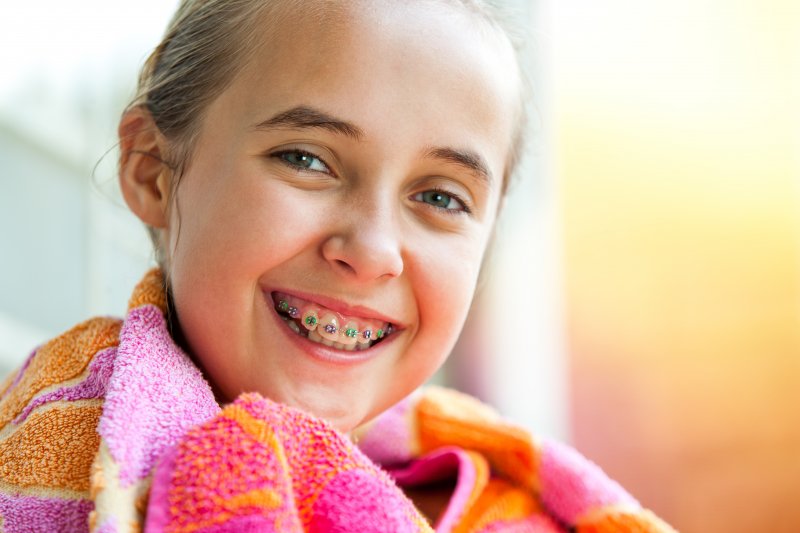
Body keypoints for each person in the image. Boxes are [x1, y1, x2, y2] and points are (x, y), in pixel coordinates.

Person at [0, 1, 675, 531]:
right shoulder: (61, 454)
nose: (373, 249)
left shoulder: (508, 498)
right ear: (151, 169)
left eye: (440, 197)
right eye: (307, 159)